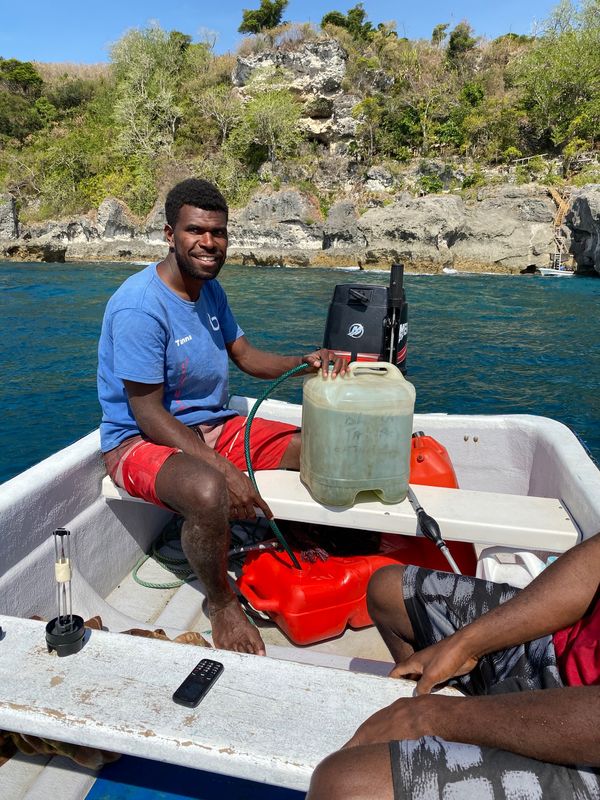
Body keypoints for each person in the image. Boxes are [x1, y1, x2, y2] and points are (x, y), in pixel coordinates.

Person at [97, 178, 346, 656]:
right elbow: (146, 413)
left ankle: (311, 536)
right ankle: (221, 603)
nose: (209, 243)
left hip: (215, 427)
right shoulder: (139, 307)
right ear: (170, 234)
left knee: (319, 446)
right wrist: (223, 468)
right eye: (196, 231)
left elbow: (248, 357)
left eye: (218, 232)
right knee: (209, 490)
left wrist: (306, 361)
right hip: (138, 442)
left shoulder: (210, 291)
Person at [307, 532, 600, 799]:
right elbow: (591, 567)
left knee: (344, 787)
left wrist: (431, 716)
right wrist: (464, 645)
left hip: (587, 748)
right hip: (558, 650)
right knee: (389, 591)